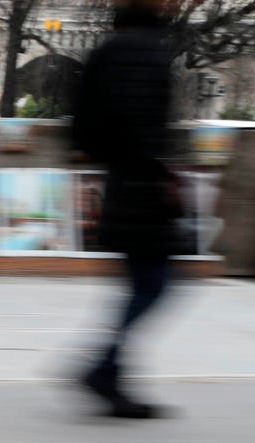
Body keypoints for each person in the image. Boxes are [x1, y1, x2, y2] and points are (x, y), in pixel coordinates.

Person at [72, 0, 184, 419]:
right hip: (142, 187)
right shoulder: (142, 49)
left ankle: (107, 372)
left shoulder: (110, 47)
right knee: (153, 283)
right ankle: (102, 369)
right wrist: (158, 173)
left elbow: (84, 123)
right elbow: (139, 123)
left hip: (125, 180)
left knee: (145, 283)